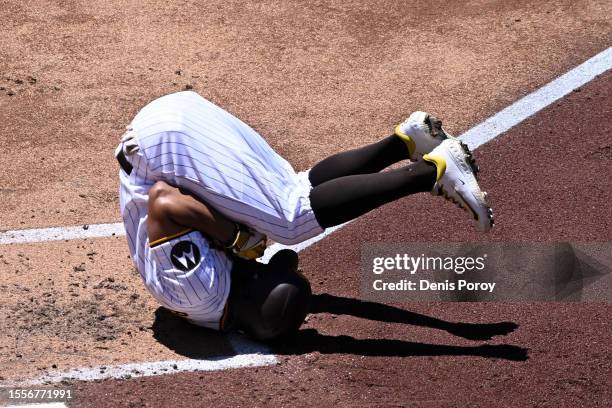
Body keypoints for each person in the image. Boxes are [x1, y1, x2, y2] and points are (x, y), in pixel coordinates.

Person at [116, 91, 493, 342]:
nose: (282, 265)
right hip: (171, 123)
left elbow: (163, 202)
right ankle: (406, 141)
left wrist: (234, 237)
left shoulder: (203, 295)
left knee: (291, 220)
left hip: (165, 145)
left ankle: (433, 173)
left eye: (274, 274)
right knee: (295, 195)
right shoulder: (219, 298)